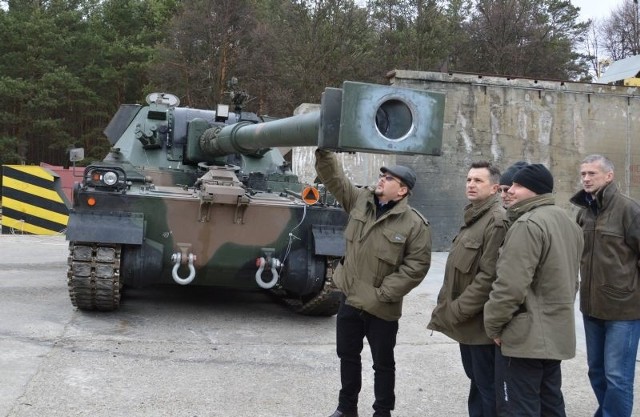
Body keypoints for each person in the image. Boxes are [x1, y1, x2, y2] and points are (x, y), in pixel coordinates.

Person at [314, 149, 432, 417]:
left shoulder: (415, 225)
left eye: (390, 178)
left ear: (402, 191)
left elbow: (416, 267)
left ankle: (382, 411)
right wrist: (325, 152)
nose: (382, 179)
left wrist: (383, 293)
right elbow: (335, 179)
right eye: (383, 175)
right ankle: (346, 409)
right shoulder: (360, 202)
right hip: (350, 298)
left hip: (382, 306)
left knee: (383, 364)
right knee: (348, 356)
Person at [484, 164, 584, 417]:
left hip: (524, 337)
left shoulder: (527, 224)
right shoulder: (568, 222)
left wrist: (494, 326)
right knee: (551, 403)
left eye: (518, 186)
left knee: (519, 407)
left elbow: (509, 286)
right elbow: (572, 281)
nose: (511, 191)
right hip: (555, 333)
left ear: (536, 191)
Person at [427, 161, 506, 417]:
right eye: (469, 180)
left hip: (480, 323)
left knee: (488, 387)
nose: (471, 184)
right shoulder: (474, 217)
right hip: (467, 322)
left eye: (478, 181)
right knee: (476, 381)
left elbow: (488, 277)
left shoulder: (496, 221)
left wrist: (457, 310)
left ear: (495, 188)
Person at [569, 154, 640, 417]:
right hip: (591, 307)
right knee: (596, 371)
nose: (586, 179)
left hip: (624, 310)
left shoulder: (629, 210)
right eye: (583, 174)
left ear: (609, 176)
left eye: (592, 174)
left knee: (617, 376)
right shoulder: (584, 212)